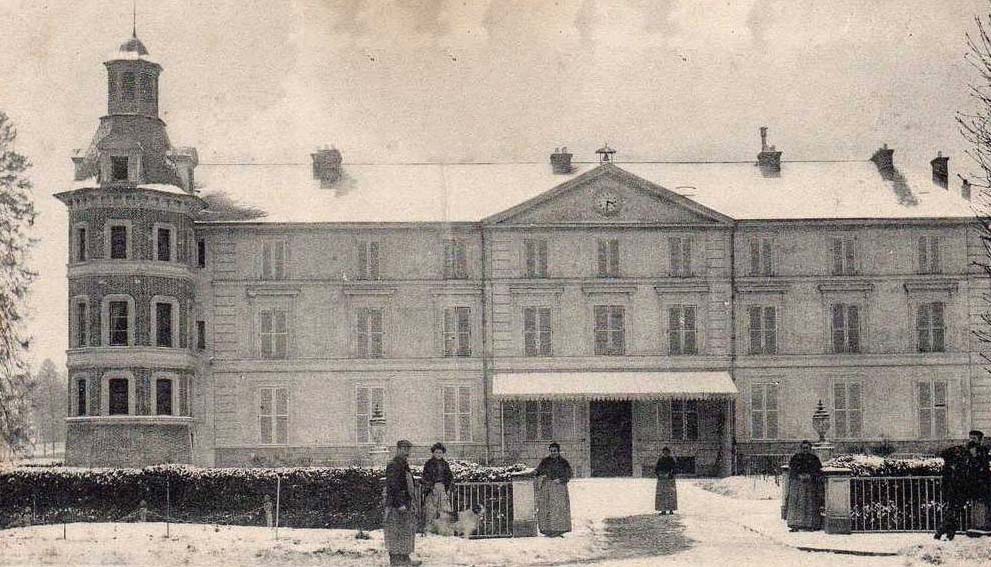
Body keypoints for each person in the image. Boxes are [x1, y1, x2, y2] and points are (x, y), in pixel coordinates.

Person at [384, 439, 421, 566]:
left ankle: (405, 558)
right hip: (397, 505)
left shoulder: (404, 464)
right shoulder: (394, 464)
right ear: (398, 449)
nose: (406, 452)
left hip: (406, 503)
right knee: (395, 532)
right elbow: (393, 486)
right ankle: (395, 560)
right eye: (404, 449)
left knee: (406, 531)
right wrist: (400, 504)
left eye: (408, 449)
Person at [535, 442, 573, 537]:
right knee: (546, 507)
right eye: (551, 451)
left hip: (559, 488)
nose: (553, 453)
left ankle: (559, 529)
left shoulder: (563, 462)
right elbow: (538, 471)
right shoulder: (545, 461)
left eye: (555, 451)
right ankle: (546, 529)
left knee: (558, 508)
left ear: (558, 451)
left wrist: (561, 479)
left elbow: (569, 474)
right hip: (547, 487)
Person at [785, 440, 823, 532]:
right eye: (803, 448)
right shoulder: (795, 458)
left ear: (810, 449)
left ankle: (810, 524)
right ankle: (795, 524)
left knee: (810, 504)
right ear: (800, 448)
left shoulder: (814, 459)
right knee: (797, 504)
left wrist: (811, 475)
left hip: (810, 484)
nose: (805, 450)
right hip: (798, 484)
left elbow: (818, 470)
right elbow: (792, 470)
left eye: (807, 448)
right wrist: (799, 475)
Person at [421, 441, 454, 534]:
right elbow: (425, 477)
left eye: (440, 452)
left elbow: (449, 477)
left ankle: (444, 531)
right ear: (433, 453)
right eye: (436, 452)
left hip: (442, 489)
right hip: (432, 490)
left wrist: (447, 489)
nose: (438, 454)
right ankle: (429, 531)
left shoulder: (445, 464)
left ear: (443, 453)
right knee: (431, 510)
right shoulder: (428, 464)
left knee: (444, 510)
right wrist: (431, 487)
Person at [654, 447, 678, 515]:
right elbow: (656, 469)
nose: (665, 453)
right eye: (664, 452)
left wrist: (670, 475)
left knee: (671, 494)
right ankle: (663, 510)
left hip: (670, 479)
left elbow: (675, 469)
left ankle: (671, 510)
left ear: (669, 452)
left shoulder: (671, 460)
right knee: (662, 495)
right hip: (662, 479)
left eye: (667, 452)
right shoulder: (660, 459)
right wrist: (659, 475)